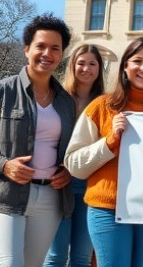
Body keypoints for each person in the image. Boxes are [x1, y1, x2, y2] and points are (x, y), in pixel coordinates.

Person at [0, 14, 76, 267]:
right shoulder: (0, 90)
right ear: (26, 50)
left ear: (61, 54)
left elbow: (69, 150)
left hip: (50, 199)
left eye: (55, 48)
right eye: (40, 46)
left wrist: (67, 171)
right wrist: (5, 165)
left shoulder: (66, 102)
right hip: (4, 195)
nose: (47, 53)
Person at [64, 37, 143, 267]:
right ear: (125, 65)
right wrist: (110, 142)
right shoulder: (101, 107)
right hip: (108, 208)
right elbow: (74, 164)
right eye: (137, 61)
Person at [44, 45, 105, 267]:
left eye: (92, 63)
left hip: (91, 188)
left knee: (81, 258)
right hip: (59, 186)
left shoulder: (106, 104)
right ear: (72, 66)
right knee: (55, 256)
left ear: (99, 69)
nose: (86, 68)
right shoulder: (57, 99)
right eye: (81, 63)